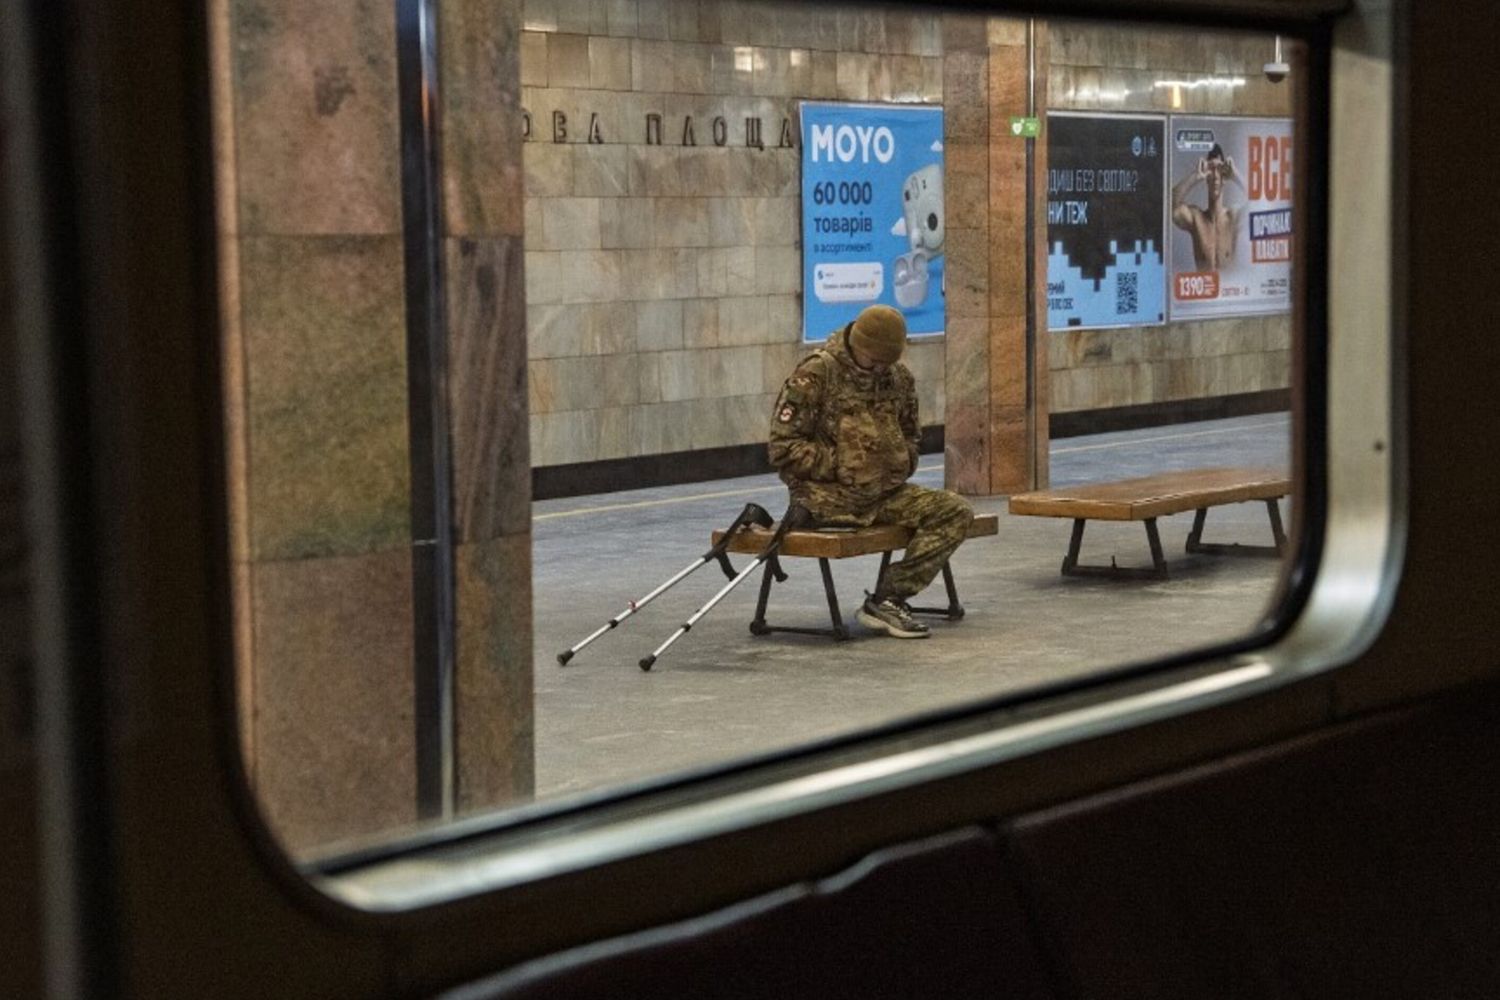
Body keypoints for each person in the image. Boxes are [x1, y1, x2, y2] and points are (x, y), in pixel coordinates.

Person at [768, 304, 974, 639]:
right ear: (856, 345)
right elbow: (782, 447)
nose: (879, 369)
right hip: (829, 500)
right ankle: (887, 602)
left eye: (886, 363)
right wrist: (841, 463)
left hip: (884, 493)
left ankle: (888, 598)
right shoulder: (817, 375)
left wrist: (902, 460)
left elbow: (911, 432)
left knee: (955, 510)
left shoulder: (897, 377)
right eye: (873, 361)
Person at [1170, 143, 1246, 271]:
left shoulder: (1233, 218)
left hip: (1229, 289)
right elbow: (1170, 203)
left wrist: (1235, 175)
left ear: (1225, 177)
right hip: (1205, 290)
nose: (1216, 176)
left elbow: (1260, 205)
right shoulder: (1196, 219)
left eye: (1219, 169)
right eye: (1211, 169)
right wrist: (1196, 175)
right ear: (1206, 176)